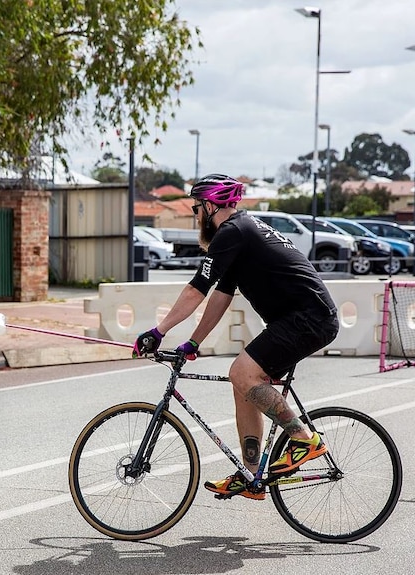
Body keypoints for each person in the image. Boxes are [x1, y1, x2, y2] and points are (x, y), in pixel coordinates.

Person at [132, 173, 339, 500]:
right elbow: (221, 295)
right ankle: (251, 475)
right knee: (244, 383)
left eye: (196, 208)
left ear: (211, 205)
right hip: (301, 319)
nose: (195, 215)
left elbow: (196, 289)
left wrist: (158, 332)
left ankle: (302, 439)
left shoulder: (232, 232)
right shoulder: (241, 231)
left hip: (308, 319)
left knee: (242, 373)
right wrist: (194, 342)